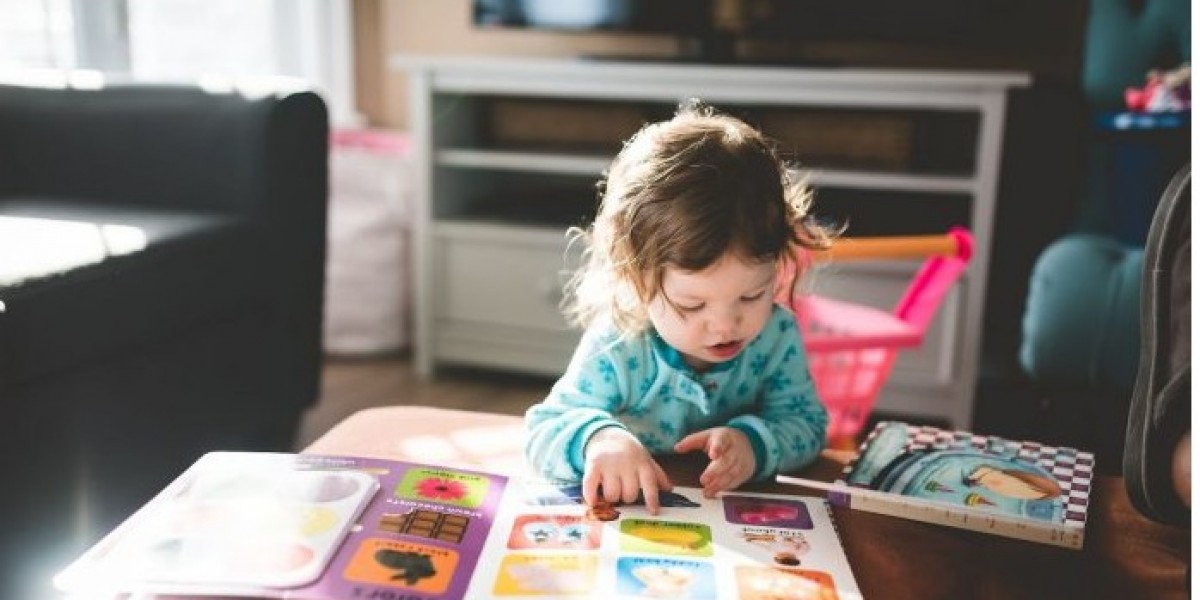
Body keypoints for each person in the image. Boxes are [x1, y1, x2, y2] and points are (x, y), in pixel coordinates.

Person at [523, 102, 836, 514]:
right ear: (636, 280)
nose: (726, 324)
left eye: (752, 295)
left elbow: (807, 426)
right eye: (692, 304)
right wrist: (600, 439)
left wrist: (754, 444)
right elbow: (544, 428)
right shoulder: (619, 342)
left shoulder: (776, 336)